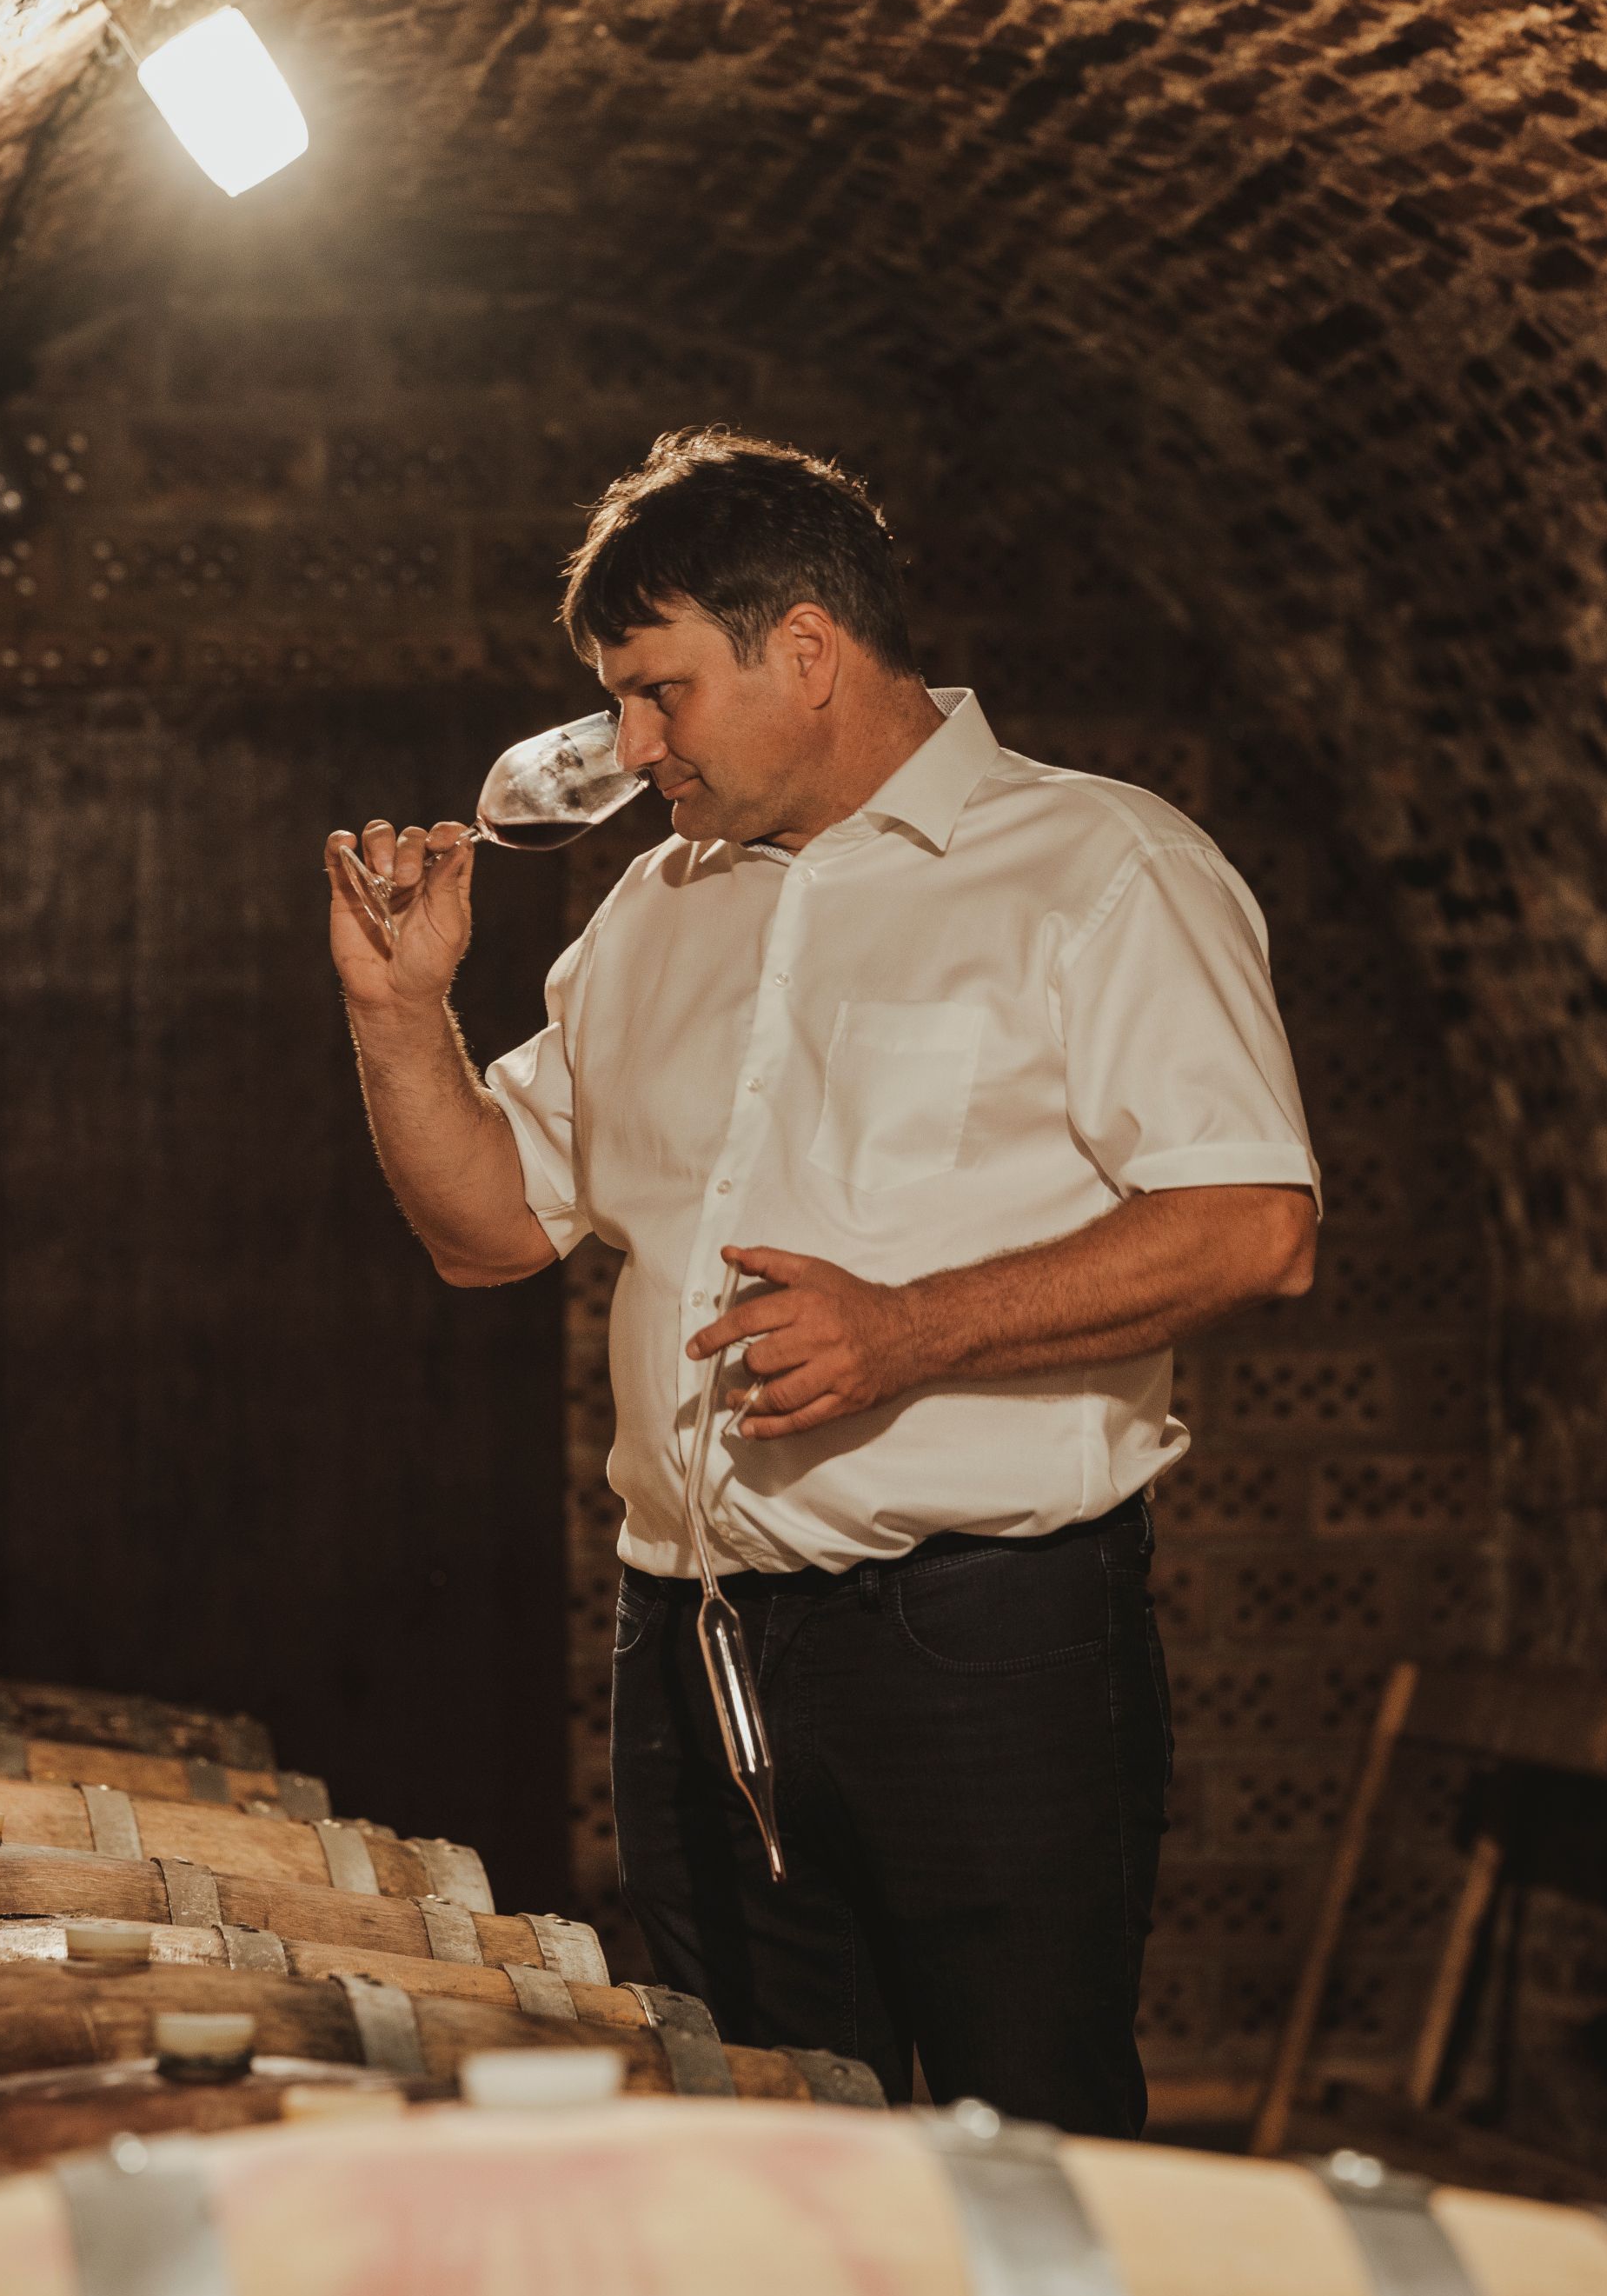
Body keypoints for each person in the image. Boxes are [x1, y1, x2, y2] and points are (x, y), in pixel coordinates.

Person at [324, 428, 1318, 2134]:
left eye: (658, 694)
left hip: (982, 1646)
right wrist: (396, 1013)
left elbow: (1251, 1224)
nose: (632, 749)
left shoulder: (1098, 869)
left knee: (1025, 2144)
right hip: (691, 1642)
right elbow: (486, 1230)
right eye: (613, 706)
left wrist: (912, 1328)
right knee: (762, 2149)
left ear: (804, 647)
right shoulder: (649, 909)